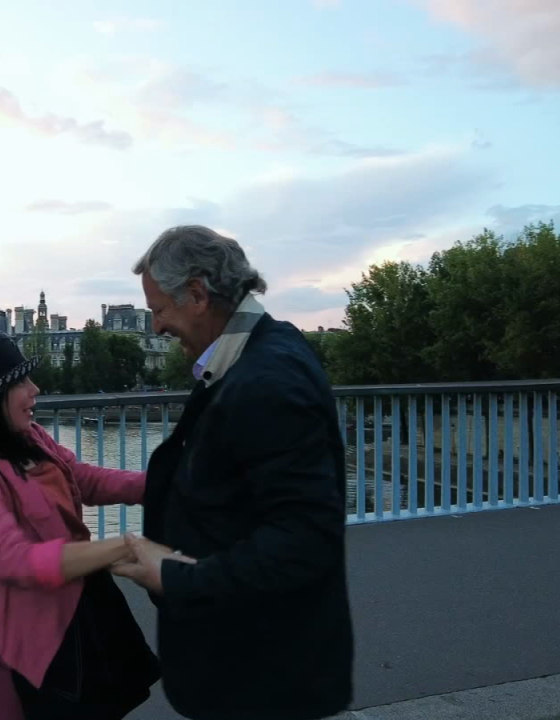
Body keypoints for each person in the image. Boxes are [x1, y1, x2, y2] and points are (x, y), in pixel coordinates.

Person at [112, 225, 354, 720]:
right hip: (257, 661)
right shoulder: (252, 355)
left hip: (261, 676)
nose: (156, 327)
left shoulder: (267, 379)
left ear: (198, 293)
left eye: (159, 310)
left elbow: (304, 540)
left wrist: (176, 577)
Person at [0, 331, 160, 720]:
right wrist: (124, 547)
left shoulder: (29, 436)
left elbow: (82, 478)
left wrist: (161, 484)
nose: (35, 389)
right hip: (40, 625)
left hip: (83, 596)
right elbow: (13, 561)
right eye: (21, 381)